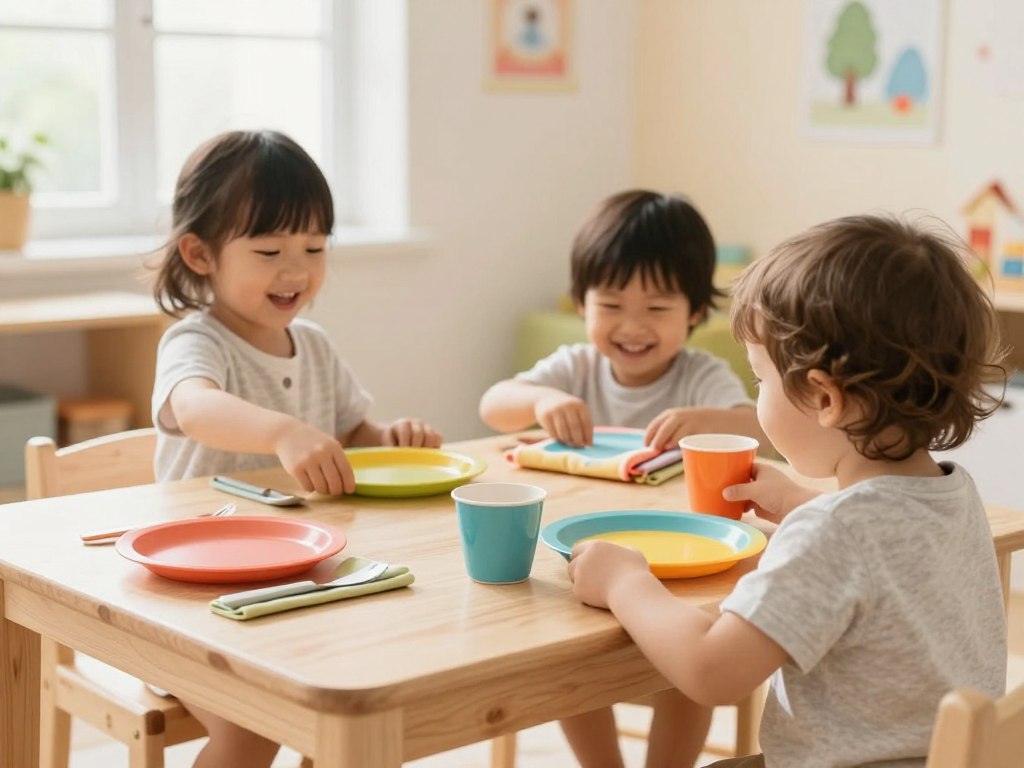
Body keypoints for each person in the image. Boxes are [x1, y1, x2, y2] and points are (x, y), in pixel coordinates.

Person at [568, 214, 1008, 768]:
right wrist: (804, 505)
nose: (758, 395)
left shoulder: (831, 535)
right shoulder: (954, 495)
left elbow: (711, 672)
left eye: (760, 379)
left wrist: (626, 581)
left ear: (825, 399)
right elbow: (882, 555)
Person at [150, 129, 442, 768]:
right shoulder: (197, 343)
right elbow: (194, 408)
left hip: (294, 590)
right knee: (252, 732)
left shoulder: (313, 345)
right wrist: (281, 431)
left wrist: (393, 441)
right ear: (200, 255)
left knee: (370, 693)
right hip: (193, 601)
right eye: (268, 250)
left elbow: (355, 435)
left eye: (314, 247)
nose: (297, 270)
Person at [480, 189, 766, 768]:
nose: (631, 327)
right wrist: (542, 400)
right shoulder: (575, 367)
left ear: (693, 312)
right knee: (562, 655)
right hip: (584, 557)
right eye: (609, 305)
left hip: (682, 565)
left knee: (687, 665)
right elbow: (494, 404)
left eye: (657, 309)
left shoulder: (699, 375)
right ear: (581, 304)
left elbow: (754, 426)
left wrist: (706, 420)